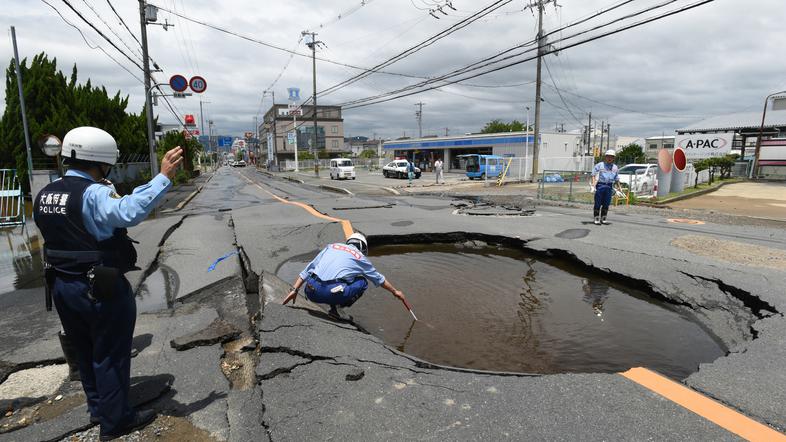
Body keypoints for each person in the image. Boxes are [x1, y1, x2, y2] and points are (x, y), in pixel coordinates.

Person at [34, 126, 183, 440]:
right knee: (110, 353)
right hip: (98, 286)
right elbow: (128, 211)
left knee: (85, 352)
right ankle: (116, 422)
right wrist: (164, 176)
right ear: (101, 160)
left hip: (62, 285)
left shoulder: (47, 193)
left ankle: (99, 408)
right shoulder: (94, 193)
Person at [282, 233, 410, 319]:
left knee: (341, 277)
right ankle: (337, 307)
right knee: (362, 281)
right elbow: (379, 279)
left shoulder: (331, 246)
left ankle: (334, 308)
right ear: (363, 247)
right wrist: (395, 291)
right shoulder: (360, 257)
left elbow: (309, 268)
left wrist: (294, 290)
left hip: (310, 290)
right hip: (330, 293)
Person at [590, 149, 623, 225]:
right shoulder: (600, 165)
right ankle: (596, 218)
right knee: (598, 203)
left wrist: (619, 188)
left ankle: (603, 218)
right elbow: (593, 174)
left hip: (609, 186)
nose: (609, 158)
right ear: (605, 157)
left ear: (614, 158)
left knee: (606, 203)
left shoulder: (615, 167)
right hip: (600, 185)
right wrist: (593, 185)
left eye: (611, 157)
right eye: (608, 156)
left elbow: (617, 178)